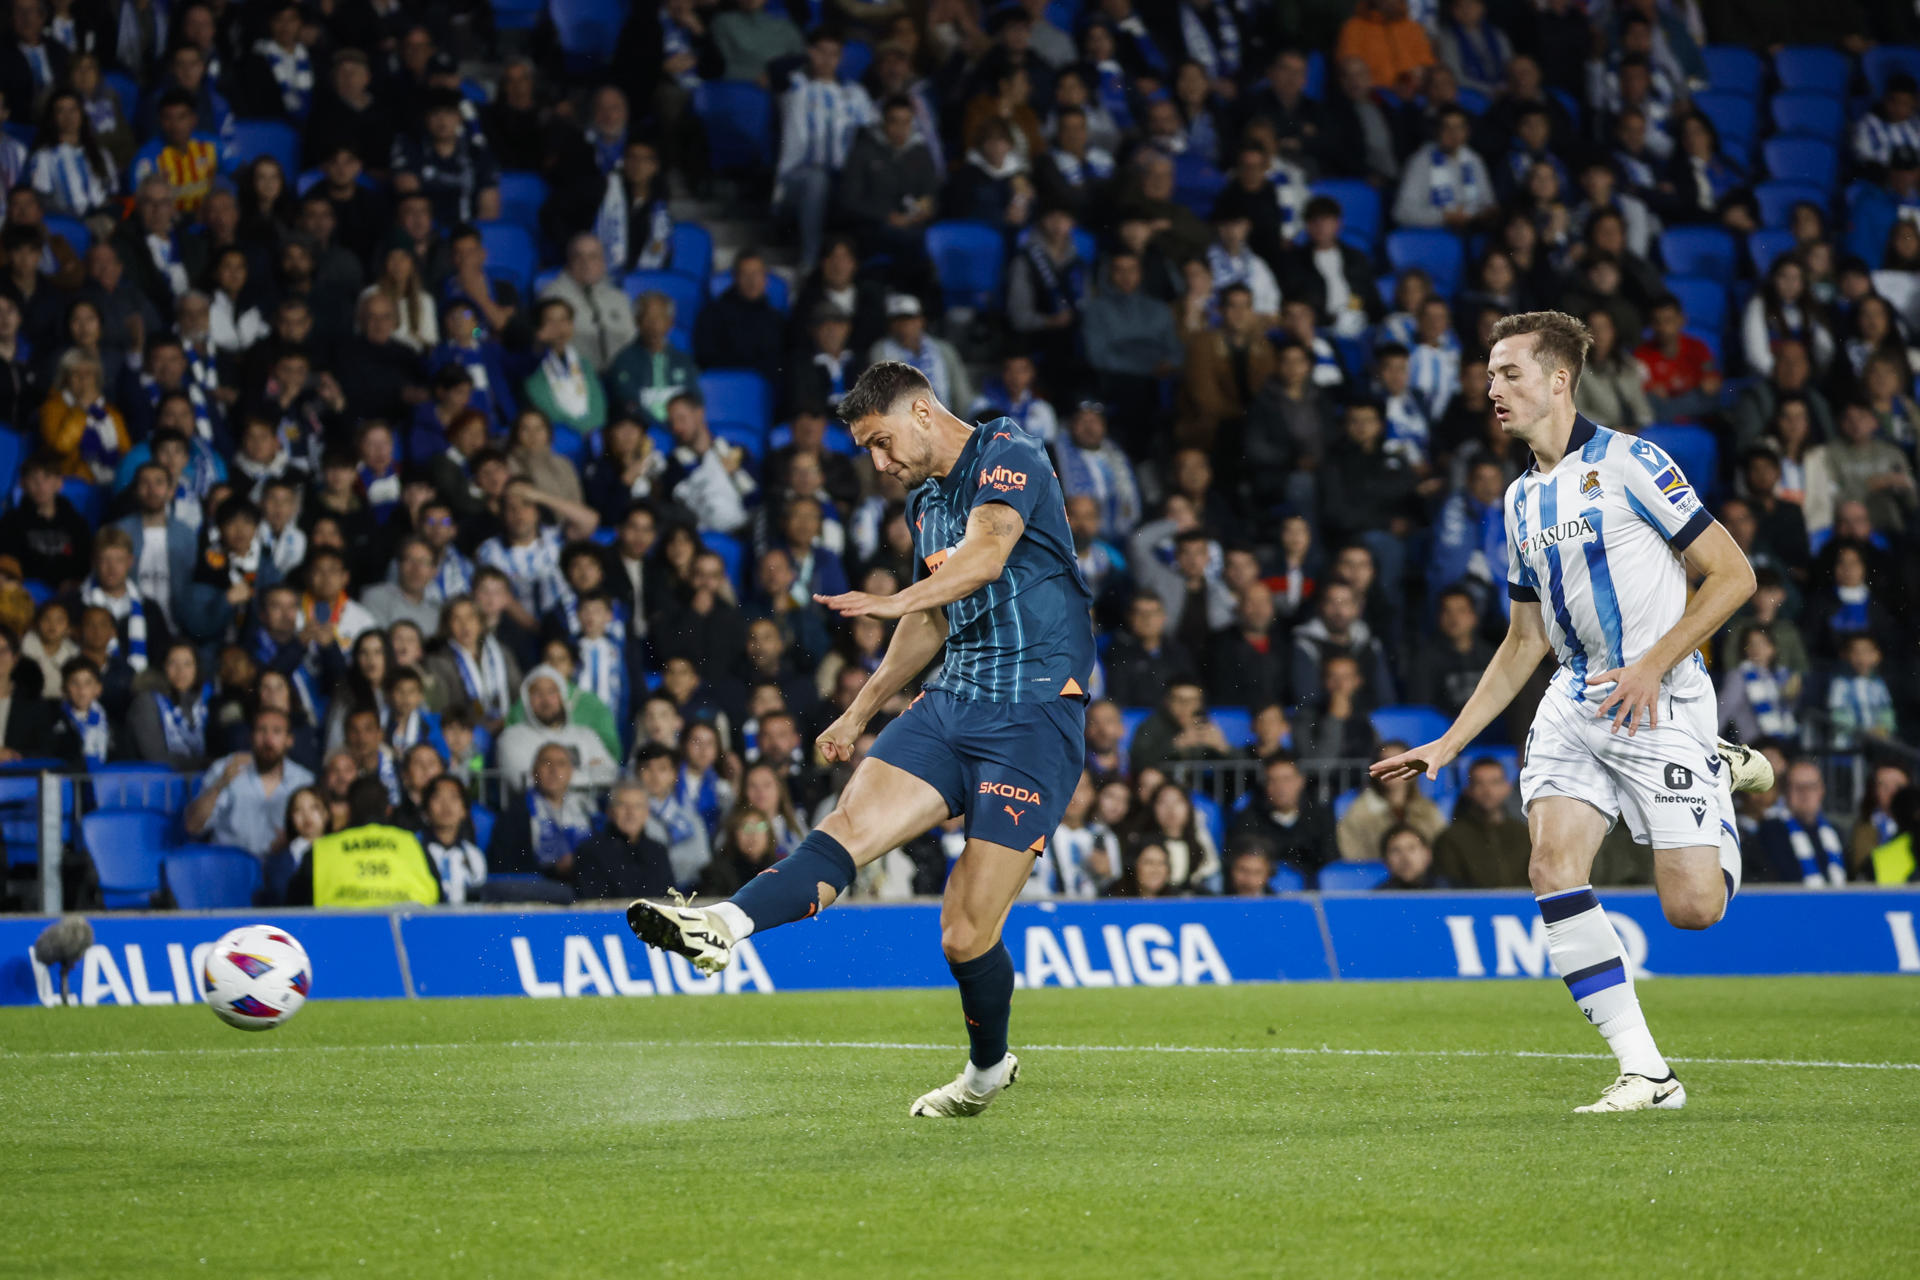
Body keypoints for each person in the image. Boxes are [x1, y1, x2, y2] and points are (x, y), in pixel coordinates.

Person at [629, 361, 1093, 1119]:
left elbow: (987, 557)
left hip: (1035, 714)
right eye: (866, 451)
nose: (878, 464)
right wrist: (859, 710)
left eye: (881, 443)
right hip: (950, 703)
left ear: (920, 412)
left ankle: (986, 1069)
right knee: (847, 827)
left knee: (964, 934)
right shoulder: (926, 503)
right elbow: (930, 620)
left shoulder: (1010, 452)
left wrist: (891, 596)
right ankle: (723, 924)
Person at [1372, 310, 1773, 1114]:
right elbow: (1525, 640)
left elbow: (1733, 576)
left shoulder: (1633, 463)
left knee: (1693, 911)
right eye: (1488, 375)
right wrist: (1449, 743)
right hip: (1575, 702)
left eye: (1509, 373)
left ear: (1559, 379)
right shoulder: (1518, 502)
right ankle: (1647, 1074)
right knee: (1552, 868)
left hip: (1659, 698)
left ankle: (1717, 769)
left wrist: (1651, 666)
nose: (1492, 389)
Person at [287, 776, 443, 907]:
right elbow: (441, 903)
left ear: (348, 810)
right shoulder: (414, 844)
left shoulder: (321, 850)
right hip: (409, 937)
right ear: (388, 809)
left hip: (339, 937)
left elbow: (295, 910)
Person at [184, 707, 316, 859]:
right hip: (229, 869)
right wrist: (219, 786)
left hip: (280, 871)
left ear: (289, 740)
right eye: (261, 730)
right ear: (251, 737)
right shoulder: (225, 768)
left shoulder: (304, 781)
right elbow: (192, 826)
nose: (268, 739)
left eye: (277, 731)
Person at [1432, 758, 1531, 888]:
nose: (1488, 791)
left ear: (1507, 788)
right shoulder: (1450, 839)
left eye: (1495, 783)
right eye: (1479, 783)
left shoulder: (1524, 834)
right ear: (1468, 790)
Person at [1753, 760, 1847, 887]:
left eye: (1811, 787)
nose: (1805, 794)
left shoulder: (1836, 833)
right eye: (1798, 787)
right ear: (1785, 792)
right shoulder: (1770, 832)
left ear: (1821, 790)